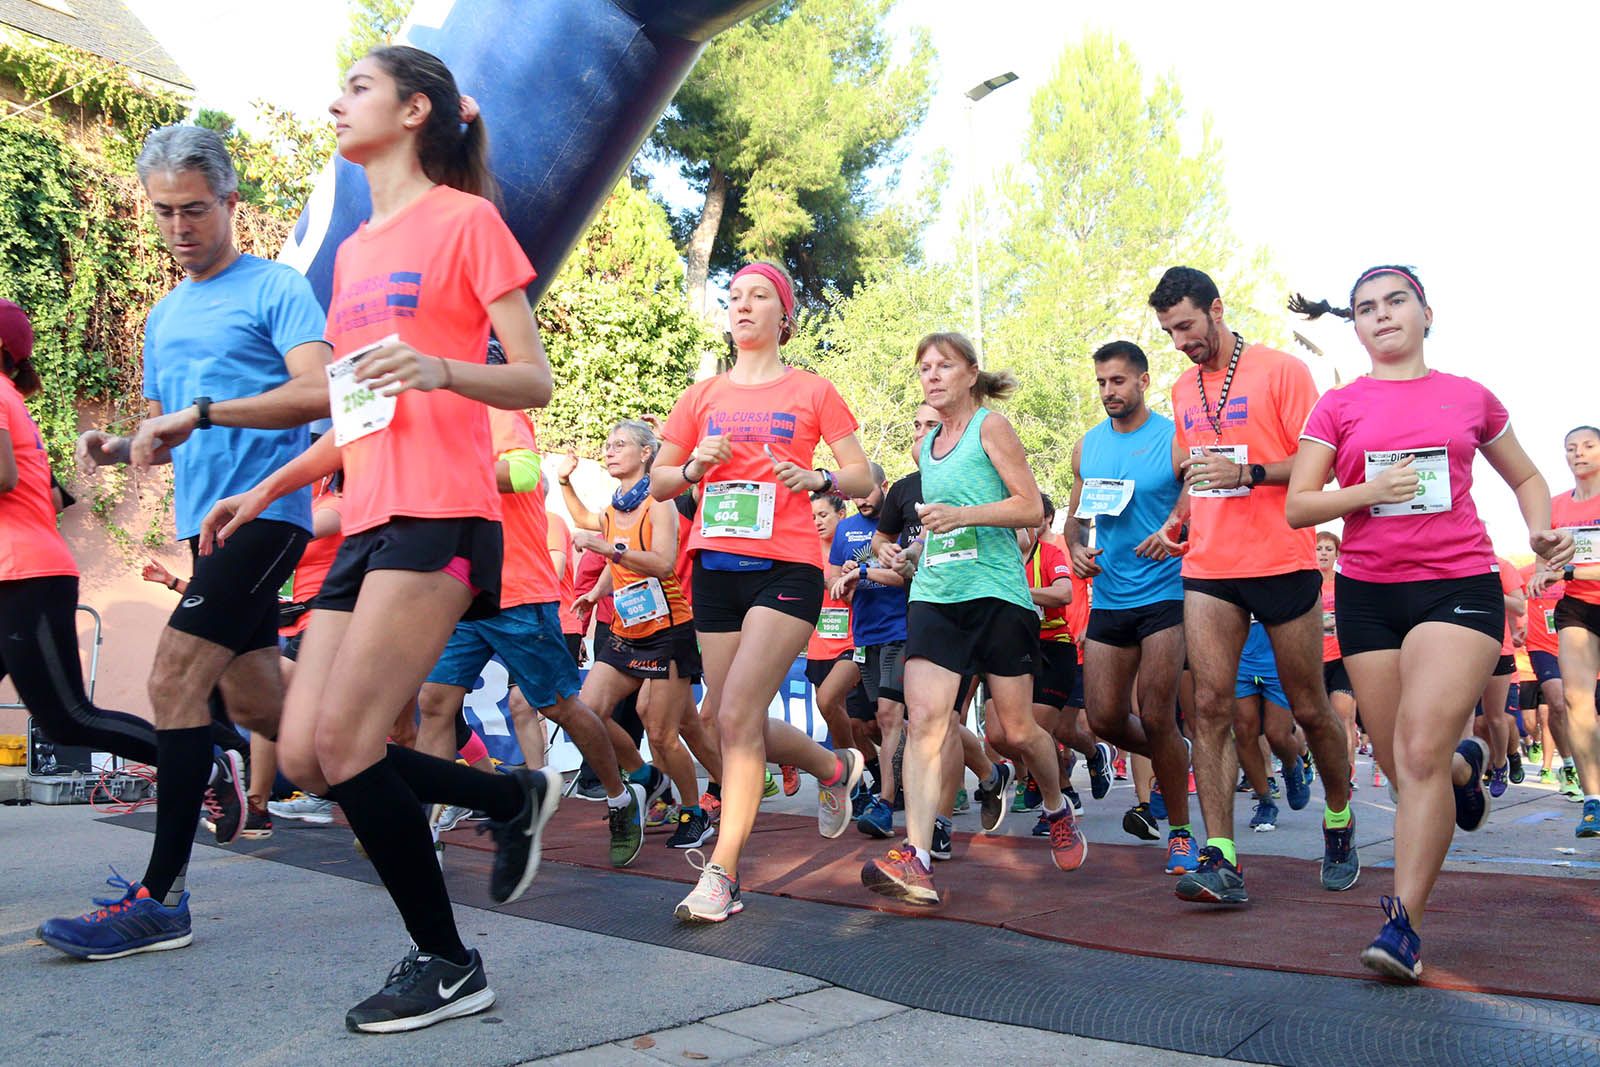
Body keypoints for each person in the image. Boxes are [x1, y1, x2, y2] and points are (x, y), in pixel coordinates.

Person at [193, 47, 565, 1031]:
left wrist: (442, 368)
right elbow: (354, 412)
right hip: (365, 521)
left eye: (358, 87)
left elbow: (533, 379)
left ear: (414, 110)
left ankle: (448, 960)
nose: (335, 101)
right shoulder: (356, 253)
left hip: (443, 514)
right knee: (310, 755)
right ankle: (507, 798)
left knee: (351, 741)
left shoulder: (467, 221)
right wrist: (266, 486)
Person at [41, 126, 331, 962]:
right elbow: (168, 433)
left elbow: (318, 393)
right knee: (269, 714)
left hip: (266, 517)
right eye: (164, 211)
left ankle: (160, 898)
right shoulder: (164, 316)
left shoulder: (276, 287)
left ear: (231, 202)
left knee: (171, 678)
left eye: (195, 209)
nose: (179, 227)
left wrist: (199, 414)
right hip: (205, 530)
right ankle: (496, 799)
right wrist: (117, 447)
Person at [1287, 263, 1571, 981]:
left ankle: (1403, 927)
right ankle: (1464, 767)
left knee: (1416, 754)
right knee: (1405, 764)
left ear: (1425, 313)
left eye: (1396, 301)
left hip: (1458, 587)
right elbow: (1298, 504)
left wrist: (1539, 530)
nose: (1382, 315)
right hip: (1369, 595)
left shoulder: (1469, 396)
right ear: (1355, 327)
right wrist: (1368, 490)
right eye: (1366, 308)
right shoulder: (1338, 405)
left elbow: (1527, 477)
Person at [651, 260, 871, 922]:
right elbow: (659, 482)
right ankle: (834, 768)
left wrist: (819, 479)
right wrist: (695, 465)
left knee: (740, 712)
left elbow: (862, 477)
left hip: (788, 567)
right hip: (717, 566)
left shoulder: (813, 390)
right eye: (735, 296)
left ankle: (723, 873)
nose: (743, 305)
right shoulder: (701, 396)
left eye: (758, 297)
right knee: (722, 719)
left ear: (785, 316)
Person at [1148, 266, 1357, 905]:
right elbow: (1196, 470)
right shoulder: (1183, 387)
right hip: (1210, 567)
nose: (1181, 341)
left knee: (1309, 707)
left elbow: (1320, 466)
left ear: (1216, 309)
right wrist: (1179, 518)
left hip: (1282, 559)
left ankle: (1340, 817)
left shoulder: (1281, 371)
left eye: (1187, 325)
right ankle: (1222, 857)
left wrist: (1249, 472)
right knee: (1210, 706)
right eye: (1169, 331)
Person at [862, 332, 1083, 907]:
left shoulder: (991, 427)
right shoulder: (927, 447)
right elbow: (937, 533)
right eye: (924, 368)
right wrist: (907, 552)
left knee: (1016, 730)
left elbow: (1029, 507)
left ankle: (1056, 806)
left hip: (997, 595)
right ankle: (915, 856)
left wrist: (962, 515)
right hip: (936, 596)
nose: (932, 376)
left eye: (944, 365)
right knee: (925, 721)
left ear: (970, 373)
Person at [414, 393, 647, 869]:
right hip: (461, 592)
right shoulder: (430, 420)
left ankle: (620, 798)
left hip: (519, 593)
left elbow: (523, 474)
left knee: (558, 706)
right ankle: (426, 831)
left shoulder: (497, 409)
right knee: (434, 703)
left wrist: (443, 468)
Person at [0, 299, 177, 811]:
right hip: (20, 571)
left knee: (68, 719)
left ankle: (203, 763)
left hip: (26, 576)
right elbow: (53, 496)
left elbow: (4, 477)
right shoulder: (11, 397)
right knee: (67, 717)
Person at [1064, 339, 1195, 875]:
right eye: (1101, 382)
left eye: (1117, 381)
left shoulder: (1173, 437)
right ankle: (1176, 752)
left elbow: (1198, 494)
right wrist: (1075, 548)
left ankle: (1181, 834)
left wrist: (1175, 527)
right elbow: (1074, 518)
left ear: (1143, 380)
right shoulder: (1088, 446)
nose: (1108, 391)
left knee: (1158, 713)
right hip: (1111, 596)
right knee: (1104, 717)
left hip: (1166, 594)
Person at [566, 418, 721, 851]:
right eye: (608, 444)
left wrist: (609, 550)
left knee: (663, 733)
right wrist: (596, 592)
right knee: (587, 712)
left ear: (646, 453)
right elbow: (597, 533)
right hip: (626, 630)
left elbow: (662, 561)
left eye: (620, 444)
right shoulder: (614, 507)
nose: (610, 450)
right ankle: (645, 776)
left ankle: (694, 812)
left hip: (668, 631)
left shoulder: (660, 502)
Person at [829, 462, 911, 838]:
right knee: (880, 721)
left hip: (901, 630)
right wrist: (844, 577)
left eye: (866, 492)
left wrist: (861, 572)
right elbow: (834, 580)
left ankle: (886, 803)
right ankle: (987, 773)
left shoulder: (900, 525)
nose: (861, 500)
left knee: (891, 717)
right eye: (854, 496)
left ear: (884, 486)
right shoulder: (844, 529)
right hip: (864, 636)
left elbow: (904, 576)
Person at [1529, 424, 1600, 839]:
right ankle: (1594, 801)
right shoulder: (1555, 508)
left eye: (1589, 446)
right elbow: (1545, 564)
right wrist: (1541, 576)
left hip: (1583, 586)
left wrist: (1567, 571)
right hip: (1578, 608)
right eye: (1571, 448)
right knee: (1576, 700)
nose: (1579, 453)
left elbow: (1565, 569)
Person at [1317, 532, 1360, 788]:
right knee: (1318, 721)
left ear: (1337, 554)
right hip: (1313, 659)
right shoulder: (1306, 583)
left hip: (1342, 657)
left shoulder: (1344, 582)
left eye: (1328, 549)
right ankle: (1326, 766)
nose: (1323, 553)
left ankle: (1347, 774)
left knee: (1342, 715)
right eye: (1319, 549)